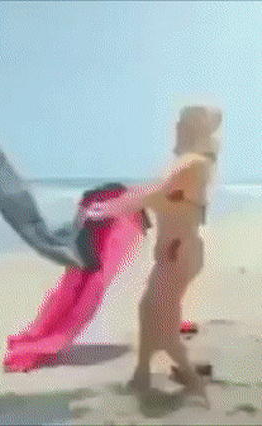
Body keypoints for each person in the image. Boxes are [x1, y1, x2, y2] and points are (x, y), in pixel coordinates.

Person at [84, 106, 222, 401]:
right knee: (147, 312)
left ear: (192, 130)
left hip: (179, 254)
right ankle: (142, 374)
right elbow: (161, 196)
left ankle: (196, 388)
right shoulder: (189, 164)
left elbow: (157, 194)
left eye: (183, 125)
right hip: (175, 254)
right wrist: (118, 204)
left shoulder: (195, 163)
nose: (177, 128)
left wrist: (110, 208)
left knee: (166, 330)